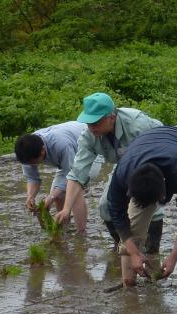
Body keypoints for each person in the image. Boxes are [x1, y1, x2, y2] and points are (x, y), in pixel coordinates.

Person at [106, 125, 177, 288]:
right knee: (133, 227)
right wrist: (133, 252)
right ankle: (128, 289)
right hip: (146, 150)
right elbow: (117, 213)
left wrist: (174, 256)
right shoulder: (122, 173)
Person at [54, 92, 163, 252]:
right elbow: (77, 173)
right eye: (88, 123)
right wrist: (66, 208)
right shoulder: (89, 135)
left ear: (111, 117)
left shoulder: (136, 126)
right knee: (106, 206)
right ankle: (126, 248)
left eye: (96, 123)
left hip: (155, 160)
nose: (91, 128)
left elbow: (157, 156)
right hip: (124, 164)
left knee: (147, 202)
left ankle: (152, 251)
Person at [15, 121, 99, 232]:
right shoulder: (27, 152)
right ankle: (64, 230)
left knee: (74, 191)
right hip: (68, 159)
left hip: (92, 148)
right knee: (59, 194)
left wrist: (51, 197)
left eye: (34, 163)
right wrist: (30, 196)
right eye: (28, 164)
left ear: (43, 150)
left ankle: (81, 235)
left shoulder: (61, 145)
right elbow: (32, 178)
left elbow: (74, 176)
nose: (31, 166)